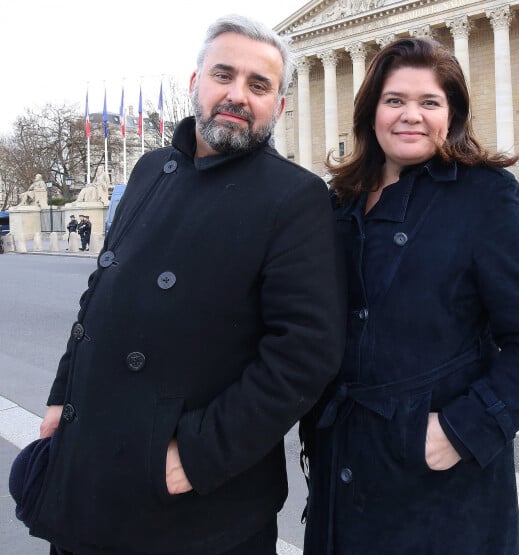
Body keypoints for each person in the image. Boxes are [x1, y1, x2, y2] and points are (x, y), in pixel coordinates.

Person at [18, 14, 345, 555]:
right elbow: (99, 296)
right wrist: (61, 398)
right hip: (92, 468)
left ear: (279, 107)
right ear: (195, 83)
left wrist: (199, 455)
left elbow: (306, 353)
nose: (238, 95)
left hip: (196, 503)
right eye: (224, 74)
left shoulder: (297, 197)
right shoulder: (149, 170)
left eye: (259, 85)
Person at [299, 38, 519, 555]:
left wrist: (463, 430)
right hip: (344, 463)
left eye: (430, 102)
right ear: (371, 111)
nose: (411, 116)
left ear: (452, 114)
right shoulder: (339, 201)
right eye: (395, 100)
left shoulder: (484, 195)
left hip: (438, 479)